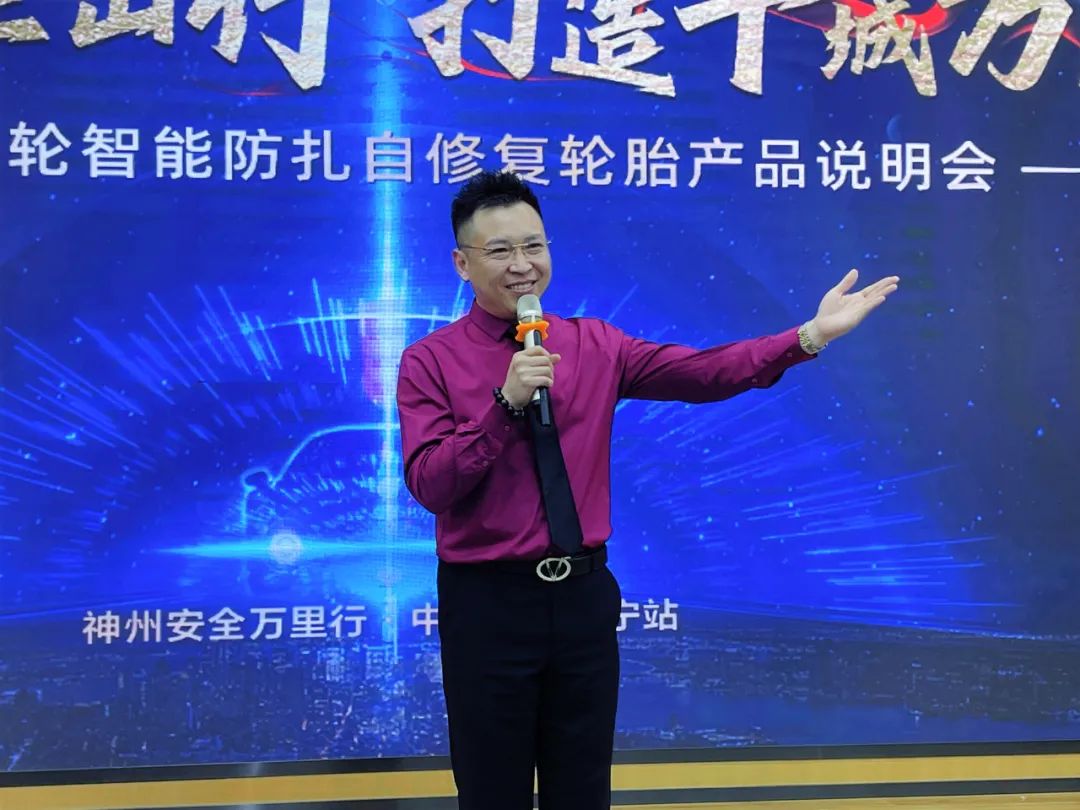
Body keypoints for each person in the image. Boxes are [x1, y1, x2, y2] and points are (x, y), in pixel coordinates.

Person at [395, 170, 899, 810]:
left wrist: (810, 336)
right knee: (492, 790)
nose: (522, 265)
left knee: (582, 788)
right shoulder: (430, 361)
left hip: (582, 597)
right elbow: (431, 483)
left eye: (534, 246)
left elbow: (703, 372)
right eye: (500, 251)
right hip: (487, 602)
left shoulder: (594, 344)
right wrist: (505, 404)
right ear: (462, 263)